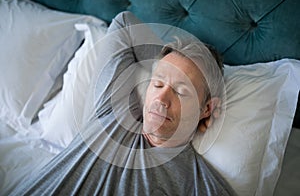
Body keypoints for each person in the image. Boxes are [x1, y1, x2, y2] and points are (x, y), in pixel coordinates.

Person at [11, 11, 236, 196]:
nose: (161, 99)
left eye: (180, 91)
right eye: (157, 84)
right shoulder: (112, 109)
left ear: (207, 108)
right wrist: (167, 64)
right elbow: (123, 23)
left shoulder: (198, 184)